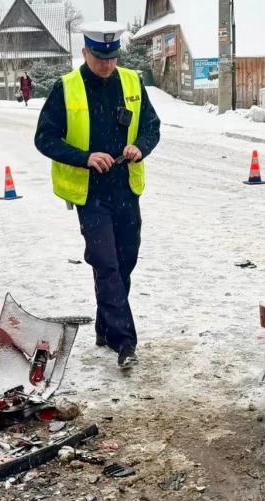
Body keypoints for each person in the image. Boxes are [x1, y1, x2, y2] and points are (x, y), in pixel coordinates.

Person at [34, 21, 161, 369]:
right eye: (100, 57)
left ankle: (106, 328)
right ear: (85, 52)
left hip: (126, 188)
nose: (107, 64)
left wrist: (141, 147)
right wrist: (85, 158)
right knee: (106, 264)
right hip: (90, 194)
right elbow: (44, 139)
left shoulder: (133, 82)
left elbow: (152, 126)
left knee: (124, 263)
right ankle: (125, 343)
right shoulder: (67, 88)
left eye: (112, 57)